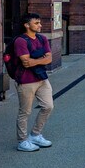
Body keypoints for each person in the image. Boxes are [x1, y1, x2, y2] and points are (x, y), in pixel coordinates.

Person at [13, 13, 54, 152]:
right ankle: (22, 141)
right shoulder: (21, 41)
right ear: (27, 25)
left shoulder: (42, 39)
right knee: (25, 112)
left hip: (42, 78)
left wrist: (35, 60)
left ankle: (35, 135)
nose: (40, 25)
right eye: (36, 23)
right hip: (26, 81)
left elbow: (49, 59)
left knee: (48, 106)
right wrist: (41, 57)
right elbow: (26, 62)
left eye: (39, 22)